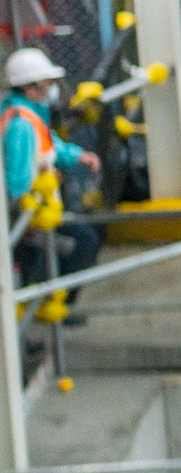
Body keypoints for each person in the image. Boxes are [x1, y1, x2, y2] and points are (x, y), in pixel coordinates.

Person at [4, 47, 101, 331]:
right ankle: (50, 309)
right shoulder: (21, 124)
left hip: (38, 211)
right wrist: (25, 210)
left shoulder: (28, 114)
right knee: (83, 242)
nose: (50, 89)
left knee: (32, 264)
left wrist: (76, 155)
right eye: (45, 83)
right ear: (30, 86)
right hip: (30, 214)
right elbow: (17, 174)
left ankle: (44, 311)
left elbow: (49, 144)